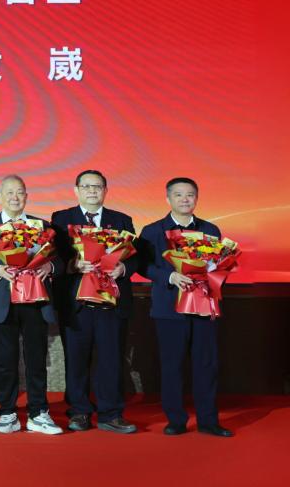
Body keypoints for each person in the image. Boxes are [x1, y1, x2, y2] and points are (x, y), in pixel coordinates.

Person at [0, 174, 62, 435]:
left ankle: (38, 413)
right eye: (9, 192)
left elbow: (60, 259)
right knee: (5, 361)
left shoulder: (42, 226)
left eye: (20, 192)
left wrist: (50, 267)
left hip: (35, 300)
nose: (15, 197)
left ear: (26, 196)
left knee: (36, 360)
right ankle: (7, 412)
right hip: (2, 301)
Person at [139, 177, 232, 437]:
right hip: (169, 309)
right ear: (168, 198)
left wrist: (215, 275)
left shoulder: (210, 229)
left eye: (190, 195)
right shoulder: (152, 231)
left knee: (206, 365)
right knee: (172, 366)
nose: (184, 199)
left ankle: (208, 421)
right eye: (178, 195)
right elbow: (142, 265)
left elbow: (218, 265)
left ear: (196, 198)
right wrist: (169, 276)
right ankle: (176, 420)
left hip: (204, 307)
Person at [51, 169, 138, 434]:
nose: (92, 191)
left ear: (105, 191)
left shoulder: (121, 220)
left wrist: (124, 269)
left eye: (97, 186)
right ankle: (79, 411)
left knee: (111, 359)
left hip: (110, 303)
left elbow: (135, 256)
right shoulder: (61, 219)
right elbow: (51, 256)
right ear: (76, 190)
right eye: (86, 186)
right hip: (76, 303)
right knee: (76, 360)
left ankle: (111, 413)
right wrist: (72, 265)